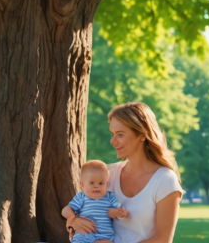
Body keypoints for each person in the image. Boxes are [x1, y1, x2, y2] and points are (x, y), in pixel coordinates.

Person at [69, 102, 183, 243]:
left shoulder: (165, 180)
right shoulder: (107, 174)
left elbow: (163, 239)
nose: (112, 141)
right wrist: (73, 222)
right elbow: (80, 214)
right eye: (112, 134)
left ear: (142, 135)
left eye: (120, 134)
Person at [62, 160, 129, 243]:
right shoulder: (81, 197)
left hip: (103, 237)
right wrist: (72, 218)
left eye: (101, 183)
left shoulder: (109, 197)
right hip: (83, 236)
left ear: (107, 184)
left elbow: (110, 212)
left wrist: (118, 213)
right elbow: (65, 210)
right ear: (82, 185)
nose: (96, 186)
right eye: (91, 183)